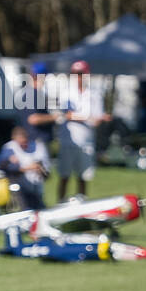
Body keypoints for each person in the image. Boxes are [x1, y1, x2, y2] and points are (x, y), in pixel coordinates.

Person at [56, 59, 109, 200]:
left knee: (83, 176)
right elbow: (65, 114)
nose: (77, 77)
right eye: (75, 73)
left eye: (80, 73)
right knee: (64, 176)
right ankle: (59, 203)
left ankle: (82, 204)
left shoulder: (94, 94)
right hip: (68, 141)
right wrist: (87, 118)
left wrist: (96, 119)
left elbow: (97, 118)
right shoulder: (66, 93)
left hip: (86, 142)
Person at [0, 126, 50, 209]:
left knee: (40, 207)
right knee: (26, 207)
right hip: (18, 187)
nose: (24, 144)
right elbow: (9, 168)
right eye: (21, 142)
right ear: (14, 138)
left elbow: (47, 175)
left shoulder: (36, 147)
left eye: (25, 141)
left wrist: (40, 170)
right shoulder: (9, 149)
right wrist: (29, 168)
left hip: (34, 187)